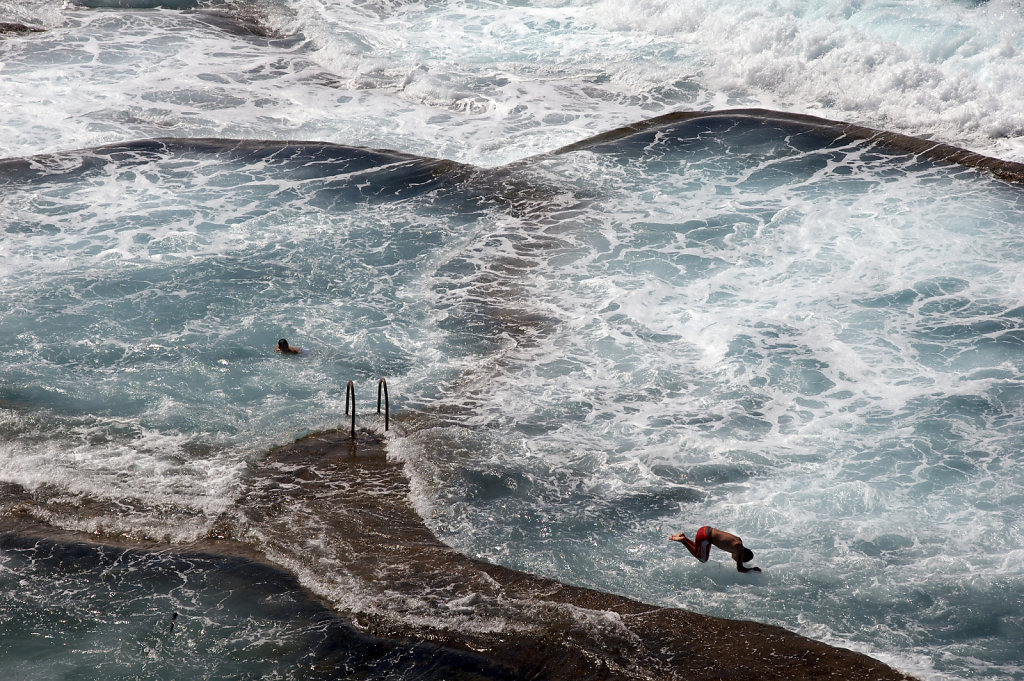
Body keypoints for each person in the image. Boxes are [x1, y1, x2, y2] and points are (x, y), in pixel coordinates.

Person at [669, 526, 761, 573]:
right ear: (743, 555)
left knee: (699, 550)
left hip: (705, 529)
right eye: (741, 559)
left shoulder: (738, 541)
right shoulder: (740, 551)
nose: (738, 560)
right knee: (702, 559)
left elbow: (733, 557)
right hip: (705, 537)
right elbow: (740, 569)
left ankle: (684, 537)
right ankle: (683, 540)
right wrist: (752, 569)